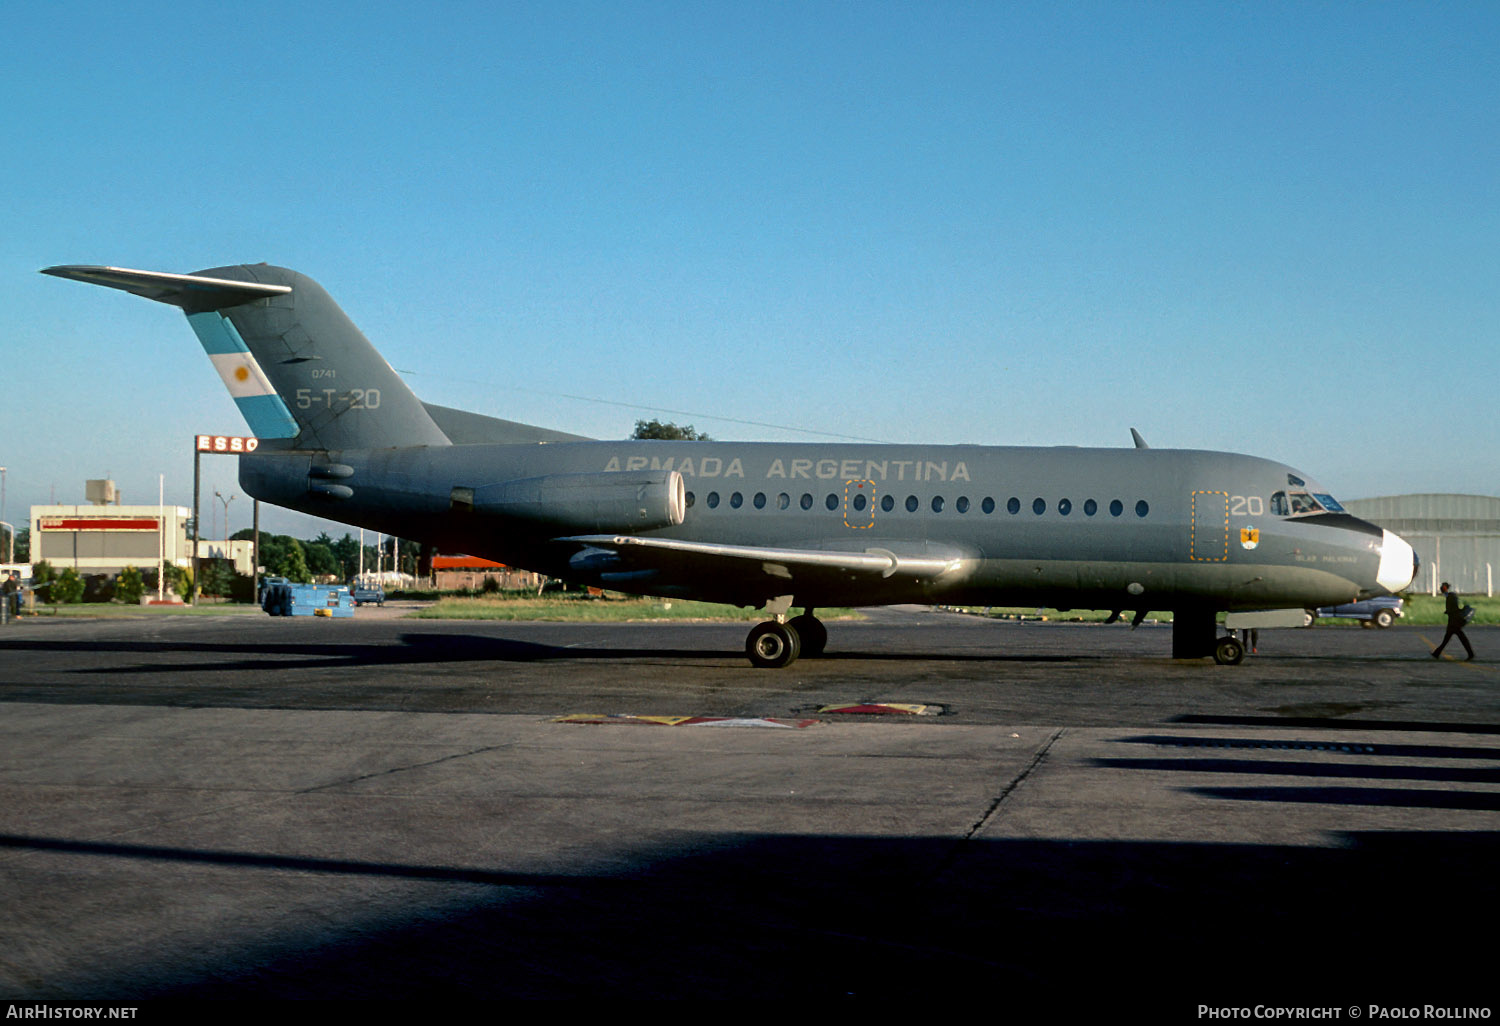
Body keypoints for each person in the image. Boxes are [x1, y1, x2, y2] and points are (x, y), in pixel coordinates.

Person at [1432, 582, 1475, 660]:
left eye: (1443, 587)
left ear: (1445, 588)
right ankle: (1436, 653)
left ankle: (1471, 654)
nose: (1441, 589)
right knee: (1450, 638)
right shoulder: (1449, 596)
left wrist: (1448, 611)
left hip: (1454, 622)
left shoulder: (1451, 596)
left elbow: (1454, 608)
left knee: (1455, 638)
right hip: (1453, 621)